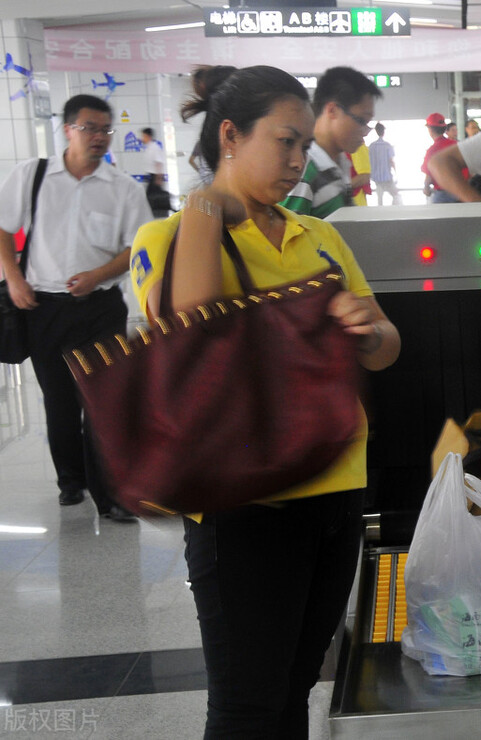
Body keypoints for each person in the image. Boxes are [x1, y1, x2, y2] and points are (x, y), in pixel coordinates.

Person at [128, 64, 400, 736]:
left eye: (305, 145)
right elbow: (194, 330)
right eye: (284, 141)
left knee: (295, 684)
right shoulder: (168, 238)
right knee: (247, 704)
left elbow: (390, 342)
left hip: (336, 487)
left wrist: (363, 330)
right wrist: (205, 203)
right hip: (243, 503)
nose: (298, 159)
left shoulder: (321, 237)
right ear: (229, 134)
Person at [0, 94, 153, 522]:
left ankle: (112, 496)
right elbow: (2, 226)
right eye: (90, 128)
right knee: (60, 402)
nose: (100, 137)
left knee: (103, 402)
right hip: (43, 307)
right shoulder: (31, 176)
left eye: (106, 129)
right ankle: (71, 480)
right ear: (67, 129)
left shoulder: (123, 189)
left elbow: (137, 246)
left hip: (99, 308)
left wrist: (98, 273)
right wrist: (13, 278)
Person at [279, 66, 380, 218]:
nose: (365, 131)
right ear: (332, 110)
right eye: (361, 120)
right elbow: (287, 238)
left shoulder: (340, 163)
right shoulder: (303, 168)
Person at [421, 112, 459, 203]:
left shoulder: (432, 151)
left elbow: (429, 176)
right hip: (461, 193)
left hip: (443, 196)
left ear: (430, 130)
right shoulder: (456, 145)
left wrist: (426, 188)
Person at [368, 123, 398, 206]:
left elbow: (368, 162)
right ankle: (393, 213)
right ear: (383, 132)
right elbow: (391, 161)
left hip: (376, 178)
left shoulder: (371, 146)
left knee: (379, 200)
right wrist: (396, 174)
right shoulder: (388, 146)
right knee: (396, 196)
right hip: (387, 177)